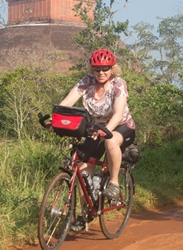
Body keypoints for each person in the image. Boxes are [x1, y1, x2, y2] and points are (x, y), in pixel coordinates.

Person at [56, 49, 136, 231]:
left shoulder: (118, 84)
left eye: (105, 68)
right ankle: (86, 213)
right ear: (92, 69)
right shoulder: (86, 83)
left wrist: (106, 130)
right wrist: (55, 120)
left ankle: (114, 182)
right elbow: (66, 103)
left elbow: (117, 113)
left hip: (122, 126)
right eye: (97, 69)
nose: (101, 73)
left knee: (111, 141)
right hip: (96, 130)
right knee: (83, 170)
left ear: (112, 69)